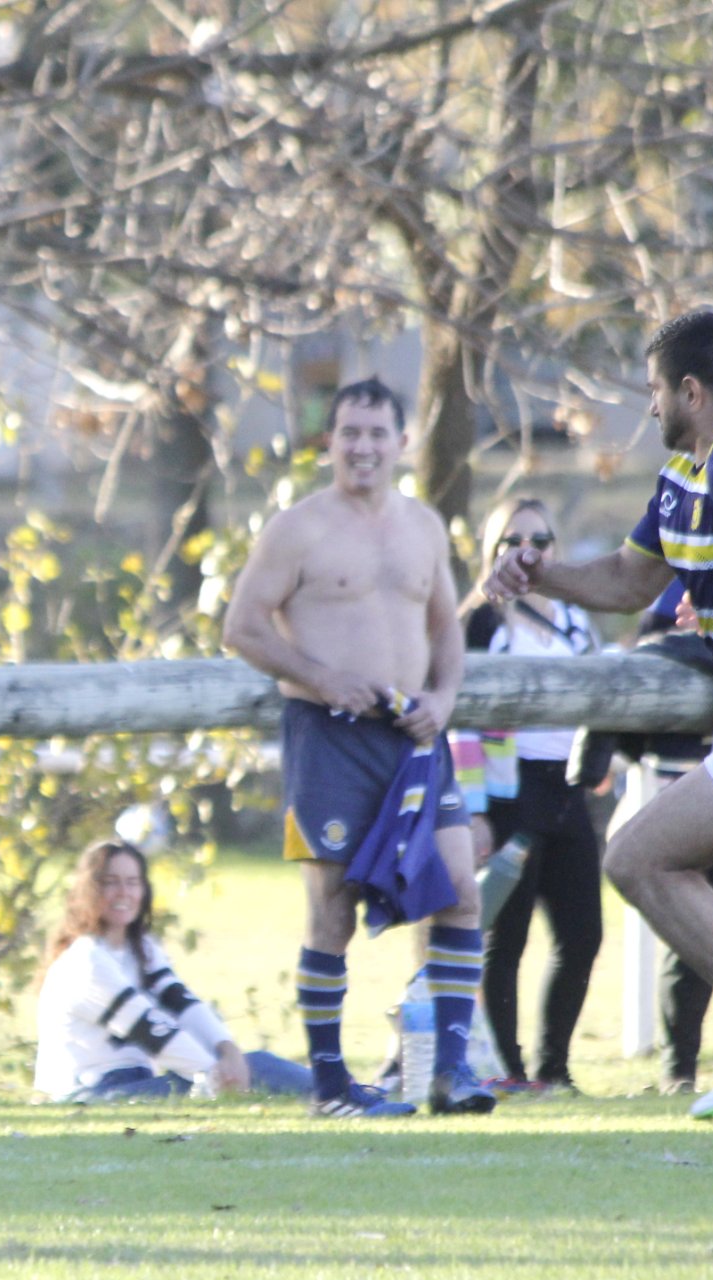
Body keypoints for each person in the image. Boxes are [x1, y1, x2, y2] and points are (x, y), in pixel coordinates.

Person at [223, 376, 491, 1119]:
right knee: (332, 909)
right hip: (329, 739)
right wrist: (320, 677)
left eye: (378, 433)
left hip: (413, 739)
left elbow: (445, 627)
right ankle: (333, 1087)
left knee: (461, 890)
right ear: (329, 442)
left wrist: (442, 700)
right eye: (350, 433)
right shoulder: (297, 528)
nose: (363, 446)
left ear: (401, 442)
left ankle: (452, 1069)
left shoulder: (424, 526)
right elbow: (241, 626)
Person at [486, 309, 713, 1120]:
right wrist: (540, 574)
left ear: (691, 390)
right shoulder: (681, 482)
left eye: (657, 391)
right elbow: (629, 583)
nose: (650, 409)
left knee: (638, 858)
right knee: (643, 859)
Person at [452, 498, 602, 1093]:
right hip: (507, 791)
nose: (527, 550)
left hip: (564, 788)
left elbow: (600, 692)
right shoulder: (484, 618)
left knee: (582, 934)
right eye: (511, 540)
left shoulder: (574, 620)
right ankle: (506, 1069)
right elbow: (462, 718)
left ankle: (554, 1068)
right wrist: (478, 811)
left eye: (541, 538)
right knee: (504, 937)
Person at [34, 840, 311, 1102]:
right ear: (88, 891)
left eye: (132, 883)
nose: (123, 893)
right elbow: (149, 1029)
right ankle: (339, 1092)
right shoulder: (86, 960)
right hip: (88, 1094)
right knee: (260, 1067)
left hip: (131, 1083)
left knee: (256, 1064)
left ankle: (341, 1091)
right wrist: (214, 1073)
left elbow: (182, 1004)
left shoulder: (142, 948)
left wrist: (228, 1050)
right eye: (110, 883)